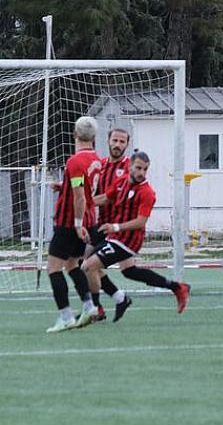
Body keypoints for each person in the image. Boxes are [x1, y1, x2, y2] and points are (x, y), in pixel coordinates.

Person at [81, 151, 191, 319]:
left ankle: (96, 309)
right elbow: (106, 198)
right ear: (129, 166)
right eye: (138, 168)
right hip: (115, 236)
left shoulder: (147, 192)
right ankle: (176, 288)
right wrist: (84, 201)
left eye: (145, 169)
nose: (141, 173)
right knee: (128, 271)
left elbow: (141, 222)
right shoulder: (121, 182)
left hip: (128, 241)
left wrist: (115, 227)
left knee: (88, 266)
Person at [44, 116, 102, 333]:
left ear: (75, 135)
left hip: (71, 222)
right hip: (87, 219)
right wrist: (63, 186)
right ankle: (89, 306)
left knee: (53, 268)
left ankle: (66, 316)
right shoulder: (95, 159)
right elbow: (83, 188)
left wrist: (77, 224)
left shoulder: (75, 161)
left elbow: (79, 196)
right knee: (72, 265)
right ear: (94, 138)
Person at [82, 127, 132, 322]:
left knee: (90, 265)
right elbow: (88, 188)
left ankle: (98, 308)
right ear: (108, 141)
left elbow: (110, 198)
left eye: (122, 142)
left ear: (127, 144)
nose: (118, 145)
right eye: (115, 141)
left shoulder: (128, 168)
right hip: (101, 225)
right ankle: (117, 299)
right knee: (84, 263)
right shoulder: (101, 165)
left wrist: (86, 201)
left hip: (119, 229)